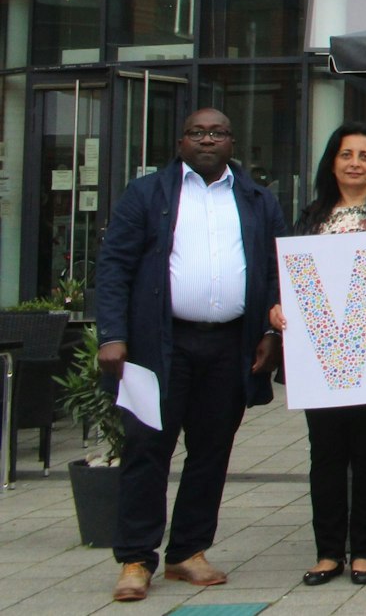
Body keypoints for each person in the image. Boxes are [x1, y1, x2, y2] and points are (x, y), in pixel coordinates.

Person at [95, 108, 286, 604]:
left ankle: (188, 551)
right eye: (197, 133)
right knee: (146, 448)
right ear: (181, 141)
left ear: (231, 141)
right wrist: (112, 334)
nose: (207, 140)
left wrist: (269, 327)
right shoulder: (148, 194)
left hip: (229, 345)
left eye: (217, 132)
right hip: (159, 345)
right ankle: (136, 558)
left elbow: (272, 268)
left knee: (211, 452)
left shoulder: (257, 199)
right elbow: (114, 264)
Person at [269, 122, 366, 588]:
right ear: (332, 162)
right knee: (326, 454)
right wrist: (278, 310)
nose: (355, 163)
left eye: (364, 156)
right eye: (346, 154)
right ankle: (326, 551)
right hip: (320, 355)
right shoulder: (311, 216)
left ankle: (364, 550)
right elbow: (289, 279)